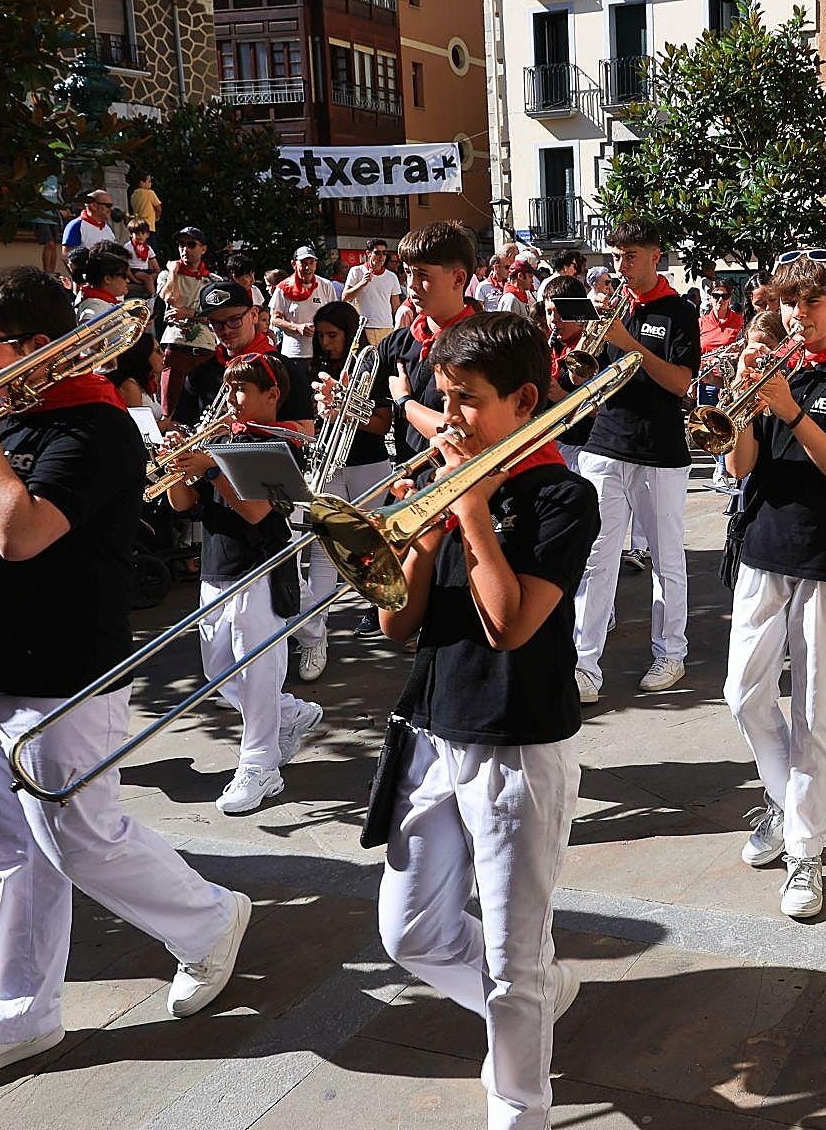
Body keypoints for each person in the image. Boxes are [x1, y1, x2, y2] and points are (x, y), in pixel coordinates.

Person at [0, 268, 250, 1095]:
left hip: (61, 674)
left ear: (35, 350)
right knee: (10, 854)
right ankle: (19, 1015)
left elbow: (19, 535)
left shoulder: (94, 426)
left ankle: (211, 917)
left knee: (81, 839)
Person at [362, 311, 599, 1130]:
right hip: (431, 728)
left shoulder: (562, 496)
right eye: (444, 398)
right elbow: (397, 628)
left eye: (466, 401)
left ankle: (520, 1104)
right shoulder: (451, 488)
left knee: (510, 956)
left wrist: (465, 509)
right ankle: (543, 996)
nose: (448, 417)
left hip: (517, 743)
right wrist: (418, 541)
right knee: (410, 934)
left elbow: (510, 625)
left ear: (524, 400)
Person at [721, 253, 826, 919]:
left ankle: (805, 853)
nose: (801, 314)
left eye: (814, 302)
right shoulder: (770, 368)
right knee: (741, 692)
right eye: (791, 303)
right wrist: (743, 396)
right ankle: (787, 805)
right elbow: (737, 466)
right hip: (763, 546)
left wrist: (790, 409)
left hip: (825, 554)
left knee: (815, 712)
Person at [165, 353, 323, 813]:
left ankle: (260, 767)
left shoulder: (279, 446)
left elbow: (257, 511)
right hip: (217, 565)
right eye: (228, 390)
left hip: (261, 568)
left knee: (257, 675)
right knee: (219, 674)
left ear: (272, 396)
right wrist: (179, 466)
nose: (230, 401)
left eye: (242, 392)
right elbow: (180, 506)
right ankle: (290, 713)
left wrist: (211, 467)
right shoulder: (219, 439)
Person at [567, 218, 700, 704]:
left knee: (667, 558)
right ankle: (583, 664)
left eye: (630, 256)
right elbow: (591, 375)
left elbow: (681, 382)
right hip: (605, 442)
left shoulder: (678, 311)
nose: (620, 267)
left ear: (655, 257)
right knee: (595, 557)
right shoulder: (610, 309)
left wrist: (630, 344)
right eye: (616, 257)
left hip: (661, 449)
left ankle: (671, 651)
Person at [294, 300, 394, 683]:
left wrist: (347, 406)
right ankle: (314, 638)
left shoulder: (371, 363)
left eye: (333, 336)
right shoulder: (314, 368)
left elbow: (380, 424)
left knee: (370, 546)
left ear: (349, 334)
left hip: (368, 464)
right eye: (320, 336)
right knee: (322, 552)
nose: (325, 343)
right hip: (330, 463)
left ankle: (392, 612)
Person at [368, 222, 480, 470]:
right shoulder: (396, 343)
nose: (412, 285)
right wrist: (338, 403)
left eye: (422, 275)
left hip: (459, 481)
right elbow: (378, 419)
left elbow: (463, 436)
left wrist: (405, 402)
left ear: (459, 279)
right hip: (408, 482)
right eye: (408, 273)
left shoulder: (482, 346)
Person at [173, 281, 319, 430]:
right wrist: (177, 436)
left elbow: (306, 431)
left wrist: (240, 429)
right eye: (216, 323)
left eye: (234, 320)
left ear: (254, 315)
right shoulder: (199, 374)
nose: (226, 330)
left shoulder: (284, 368)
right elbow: (179, 424)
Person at [537, 275, 595, 475]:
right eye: (549, 312)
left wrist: (561, 396)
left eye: (560, 312)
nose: (553, 320)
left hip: (586, 449)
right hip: (554, 444)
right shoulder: (550, 346)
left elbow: (604, 410)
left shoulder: (595, 350)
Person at [157, 226, 217, 416]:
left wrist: (189, 313)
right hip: (176, 346)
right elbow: (169, 298)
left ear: (203, 249)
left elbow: (214, 315)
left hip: (205, 349)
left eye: (191, 244)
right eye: (181, 244)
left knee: (204, 408)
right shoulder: (167, 275)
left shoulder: (212, 280)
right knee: (169, 407)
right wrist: (174, 272)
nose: (185, 249)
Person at [698, 279, 746, 490]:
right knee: (710, 426)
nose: (720, 300)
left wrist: (734, 353)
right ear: (710, 298)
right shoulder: (702, 322)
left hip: (728, 380)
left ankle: (724, 468)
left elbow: (743, 349)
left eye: (724, 296)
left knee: (727, 424)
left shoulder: (739, 322)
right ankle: (720, 466)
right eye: (716, 296)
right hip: (707, 379)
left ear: (730, 298)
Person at [270, 247, 341, 359]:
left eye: (311, 262)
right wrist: (296, 327)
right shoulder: (283, 288)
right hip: (294, 353)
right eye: (303, 263)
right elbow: (274, 320)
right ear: (294, 264)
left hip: (322, 351)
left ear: (316, 264)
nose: (308, 268)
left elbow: (335, 315)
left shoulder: (326, 285)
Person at [341, 239, 402, 343]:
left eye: (384, 253)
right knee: (364, 359)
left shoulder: (391, 276)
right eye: (377, 253)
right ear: (368, 254)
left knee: (384, 359)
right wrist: (362, 283)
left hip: (386, 327)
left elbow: (396, 307)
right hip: (364, 327)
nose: (381, 256)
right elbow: (345, 297)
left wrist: (398, 329)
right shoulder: (356, 271)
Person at [68, 241, 132, 325]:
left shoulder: (103, 302)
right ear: (107, 279)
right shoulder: (94, 305)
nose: (128, 280)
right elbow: (86, 330)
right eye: (124, 275)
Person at [61, 189, 120, 254]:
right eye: (108, 205)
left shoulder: (108, 228)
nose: (111, 209)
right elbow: (66, 255)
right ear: (94, 206)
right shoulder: (76, 225)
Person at [124, 219, 161, 299]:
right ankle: (153, 297)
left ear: (147, 235)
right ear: (131, 234)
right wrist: (133, 278)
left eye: (143, 233)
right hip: (135, 270)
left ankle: (152, 292)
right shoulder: (128, 247)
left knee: (157, 276)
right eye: (137, 234)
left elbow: (154, 263)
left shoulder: (148, 248)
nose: (140, 236)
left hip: (145, 271)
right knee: (147, 278)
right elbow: (125, 263)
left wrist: (158, 273)